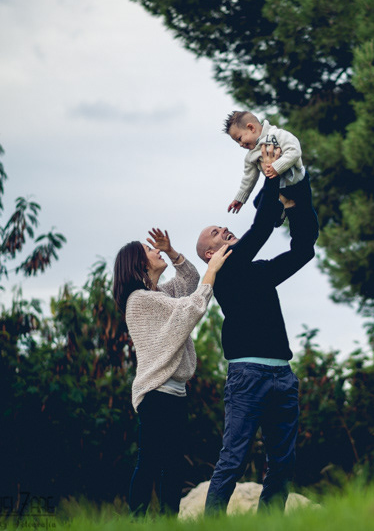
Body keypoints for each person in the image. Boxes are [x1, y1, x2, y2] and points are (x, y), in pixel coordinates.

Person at [196, 144, 319, 515]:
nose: (224, 229)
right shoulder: (223, 274)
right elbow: (263, 224)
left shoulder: (260, 272)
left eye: (223, 227)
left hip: (283, 376)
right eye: (216, 232)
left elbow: (304, 250)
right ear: (209, 254)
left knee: (283, 463)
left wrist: (297, 202)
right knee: (233, 460)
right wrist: (270, 174)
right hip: (247, 377)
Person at [113, 228, 231, 516]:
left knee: (174, 464)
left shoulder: (160, 294)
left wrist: (172, 251)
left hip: (176, 393)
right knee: (150, 463)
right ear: (139, 264)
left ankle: (168, 521)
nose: (156, 251)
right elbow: (189, 309)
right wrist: (212, 271)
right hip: (156, 394)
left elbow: (189, 280)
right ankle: (136, 521)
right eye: (150, 250)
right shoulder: (139, 300)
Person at [224, 110, 316, 229]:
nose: (240, 144)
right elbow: (248, 178)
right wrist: (240, 198)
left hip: (297, 183)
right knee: (258, 202)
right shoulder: (251, 156)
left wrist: (276, 167)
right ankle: (280, 211)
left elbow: (294, 151)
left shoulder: (277, 135)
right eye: (237, 142)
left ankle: (309, 228)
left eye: (240, 139)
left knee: (305, 215)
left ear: (251, 128)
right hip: (278, 187)